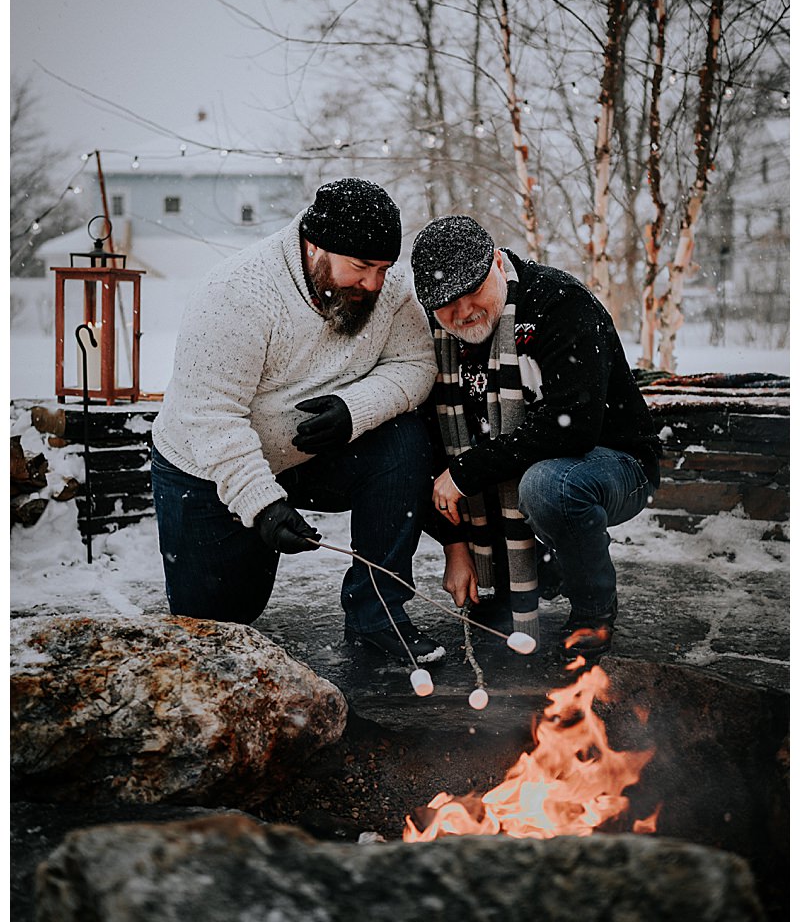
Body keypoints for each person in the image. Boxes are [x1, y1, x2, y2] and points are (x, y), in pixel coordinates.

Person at [151, 178, 445, 665]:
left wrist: (356, 410)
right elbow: (210, 418)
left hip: (310, 454)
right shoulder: (237, 294)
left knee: (403, 441)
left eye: (383, 268)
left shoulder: (387, 291)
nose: (374, 284)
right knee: (217, 626)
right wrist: (263, 505)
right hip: (205, 469)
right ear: (315, 246)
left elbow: (416, 363)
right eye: (361, 268)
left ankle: (378, 618)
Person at [411, 215, 661, 663]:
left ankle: (592, 606)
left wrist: (468, 471)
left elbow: (573, 424)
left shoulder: (560, 303)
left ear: (497, 262)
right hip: (526, 466)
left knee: (549, 487)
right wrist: (455, 547)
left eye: (473, 290)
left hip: (615, 462)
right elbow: (429, 446)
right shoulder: (437, 341)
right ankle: (540, 568)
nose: (463, 310)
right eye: (446, 304)